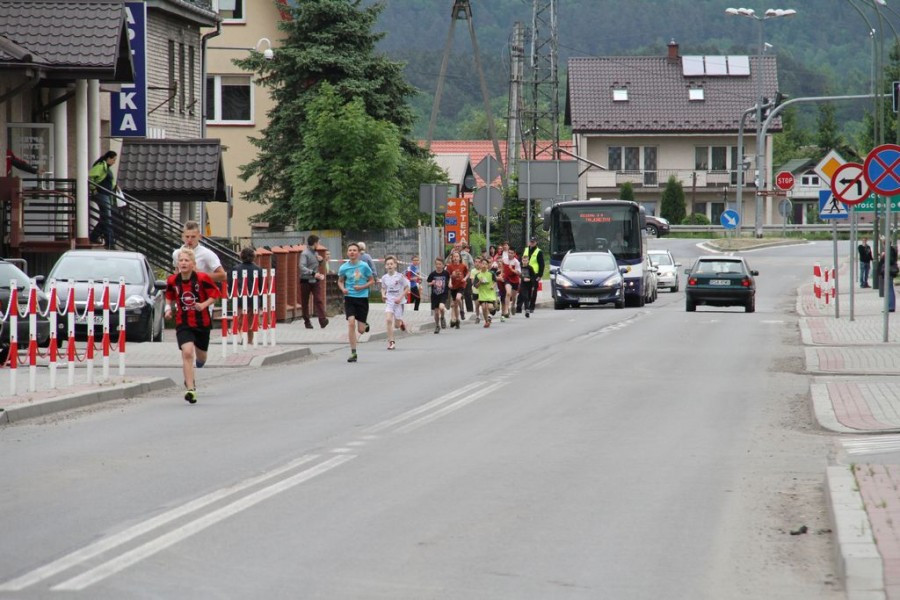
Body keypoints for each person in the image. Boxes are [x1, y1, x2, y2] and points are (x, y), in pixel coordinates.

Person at [165, 248, 222, 404]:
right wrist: (168, 308)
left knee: (201, 356)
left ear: (193, 264)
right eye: (181, 260)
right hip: (183, 323)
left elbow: (215, 294)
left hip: (202, 323)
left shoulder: (202, 278)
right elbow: (169, 295)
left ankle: (201, 361)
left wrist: (203, 305)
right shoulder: (172, 280)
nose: (183, 263)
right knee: (188, 352)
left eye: (186, 260)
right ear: (177, 264)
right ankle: (190, 388)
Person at [337, 242, 374, 363]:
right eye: (350, 250)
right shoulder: (343, 267)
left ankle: (365, 324)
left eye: (354, 250)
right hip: (350, 298)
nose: (352, 252)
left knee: (361, 330)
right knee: (351, 323)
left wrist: (363, 287)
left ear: (358, 253)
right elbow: (340, 281)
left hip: (362, 298)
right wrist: (343, 289)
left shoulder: (364, 266)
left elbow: (371, 280)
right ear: (347, 253)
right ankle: (353, 353)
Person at [229, 247, 264, 345]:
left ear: (241, 256)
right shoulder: (258, 269)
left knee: (240, 318)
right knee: (252, 319)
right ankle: (250, 340)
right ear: (253, 257)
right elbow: (261, 286)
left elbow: (231, 284)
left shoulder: (235, 269)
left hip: (239, 298)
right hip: (254, 298)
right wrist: (262, 301)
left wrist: (231, 296)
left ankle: (242, 337)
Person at [89, 151, 119, 249]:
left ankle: (93, 236)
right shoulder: (101, 166)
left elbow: (111, 181)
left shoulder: (106, 168)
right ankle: (110, 242)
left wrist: (116, 186)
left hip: (106, 194)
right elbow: (90, 178)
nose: (114, 162)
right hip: (101, 194)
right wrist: (93, 189)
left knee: (105, 218)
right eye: (113, 159)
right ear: (108, 158)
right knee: (107, 218)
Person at [299, 234, 329, 329]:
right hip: (305, 280)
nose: (319, 245)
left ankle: (322, 320)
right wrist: (312, 273)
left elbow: (315, 265)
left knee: (319, 299)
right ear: (315, 243)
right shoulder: (305, 253)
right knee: (305, 301)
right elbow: (301, 267)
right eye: (318, 243)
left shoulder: (315, 253)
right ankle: (307, 321)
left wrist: (320, 261)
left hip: (315, 280)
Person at [380, 255, 409, 350]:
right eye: (387, 264)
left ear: (395, 265)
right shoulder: (384, 278)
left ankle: (400, 323)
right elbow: (383, 288)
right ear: (385, 266)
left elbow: (407, 288)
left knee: (396, 325)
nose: (389, 266)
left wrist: (400, 297)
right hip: (389, 301)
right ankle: (391, 342)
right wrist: (383, 295)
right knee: (388, 320)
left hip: (399, 303)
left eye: (391, 264)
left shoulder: (400, 277)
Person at [518, 236, 545, 317]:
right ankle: (519, 307)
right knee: (523, 290)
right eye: (531, 241)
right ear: (529, 242)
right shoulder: (526, 249)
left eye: (533, 242)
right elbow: (521, 259)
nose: (532, 243)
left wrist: (540, 275)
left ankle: (531, 307)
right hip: (525, 272)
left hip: (535, 274)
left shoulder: (539, 251)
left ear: (536, 242)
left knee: (533, 291)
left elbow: (542, 264)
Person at [427, 257, 450, 334]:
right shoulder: (432, 274)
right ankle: (437, 325)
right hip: (435, 295)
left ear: (443, 265)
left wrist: (450, 283)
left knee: (441, 307)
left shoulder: (446, 273)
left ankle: (442, 317)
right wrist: (431, 283)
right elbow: (428, 283)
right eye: (437, 264)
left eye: (440, 264)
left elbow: (450, 279)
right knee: (436, 313)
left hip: (443, 293)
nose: (438, 266)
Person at [446, 251, 468, 329]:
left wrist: (465, 279)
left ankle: (461, 309)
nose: (455, 258)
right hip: (453, 286)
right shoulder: (449, 266)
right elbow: (448, 276)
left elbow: (468, 273)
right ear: (452, 258)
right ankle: (457, 320)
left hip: (461, 285)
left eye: (457, 256)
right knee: (455, 305)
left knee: (458, 298)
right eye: (454, 257)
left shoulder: (463, 266)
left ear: (459, 258)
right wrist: (450, 282)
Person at [474, 257, 498, 328]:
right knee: (484, 307)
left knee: (490, 307)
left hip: (490, 293)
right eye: (482, 263)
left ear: (488, 265)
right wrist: (479, 282)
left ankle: (494, 308)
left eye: (485, 264)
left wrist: (493, 286)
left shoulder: (491, 273)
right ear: (480, 265)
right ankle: (486, 321)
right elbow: (476, 286)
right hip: (482, 294)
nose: (484, 265)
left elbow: (495, 281)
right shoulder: (477, 275)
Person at [500, 243, 521, 319]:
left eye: (512, 253)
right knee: (508, 293)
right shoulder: (504, 259)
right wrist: (502, 273)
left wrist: (512, 269)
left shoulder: (516, 262)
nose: (510, 254)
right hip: (507, 278)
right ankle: (506, 310)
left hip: (515, 280)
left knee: (514, 297)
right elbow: (502, 266)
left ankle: (513, 305)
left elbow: (519, 273)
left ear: (514, 254)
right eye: (509, 252)